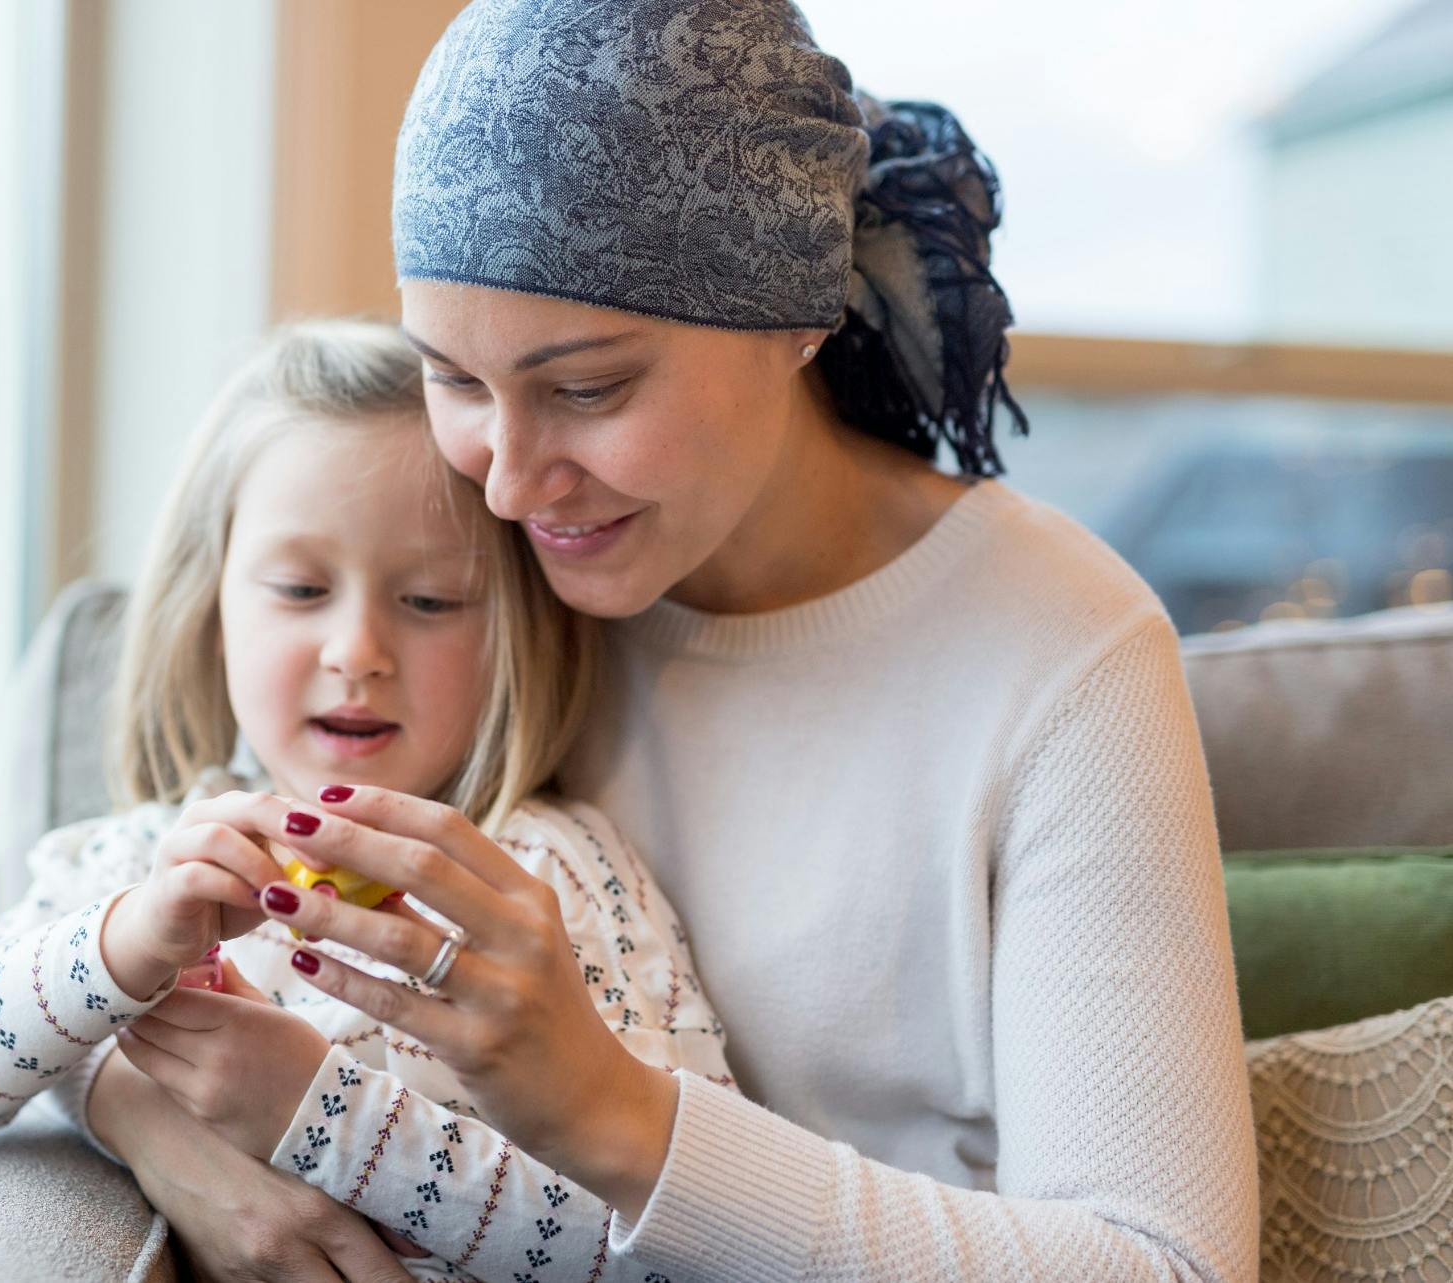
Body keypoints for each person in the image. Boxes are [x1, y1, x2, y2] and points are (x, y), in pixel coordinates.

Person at [85, 3, 1261, 1281]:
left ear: (795, 314)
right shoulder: (468, 594)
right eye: (458, 380)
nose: (512, 482)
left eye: (587, 388)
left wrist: (612, 1114)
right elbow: (102, 903)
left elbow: (1169, 1265)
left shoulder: (1059, 654)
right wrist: (142, 1109)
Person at [0, 320, 741, 1281]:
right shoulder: (145, 862)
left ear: (517, 635)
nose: (357, 650)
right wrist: (123, 946)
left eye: (430, 601)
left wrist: (319, 1113)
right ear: (211, 614)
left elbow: (685, 1248)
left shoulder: (550, 880)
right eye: (299, 589)